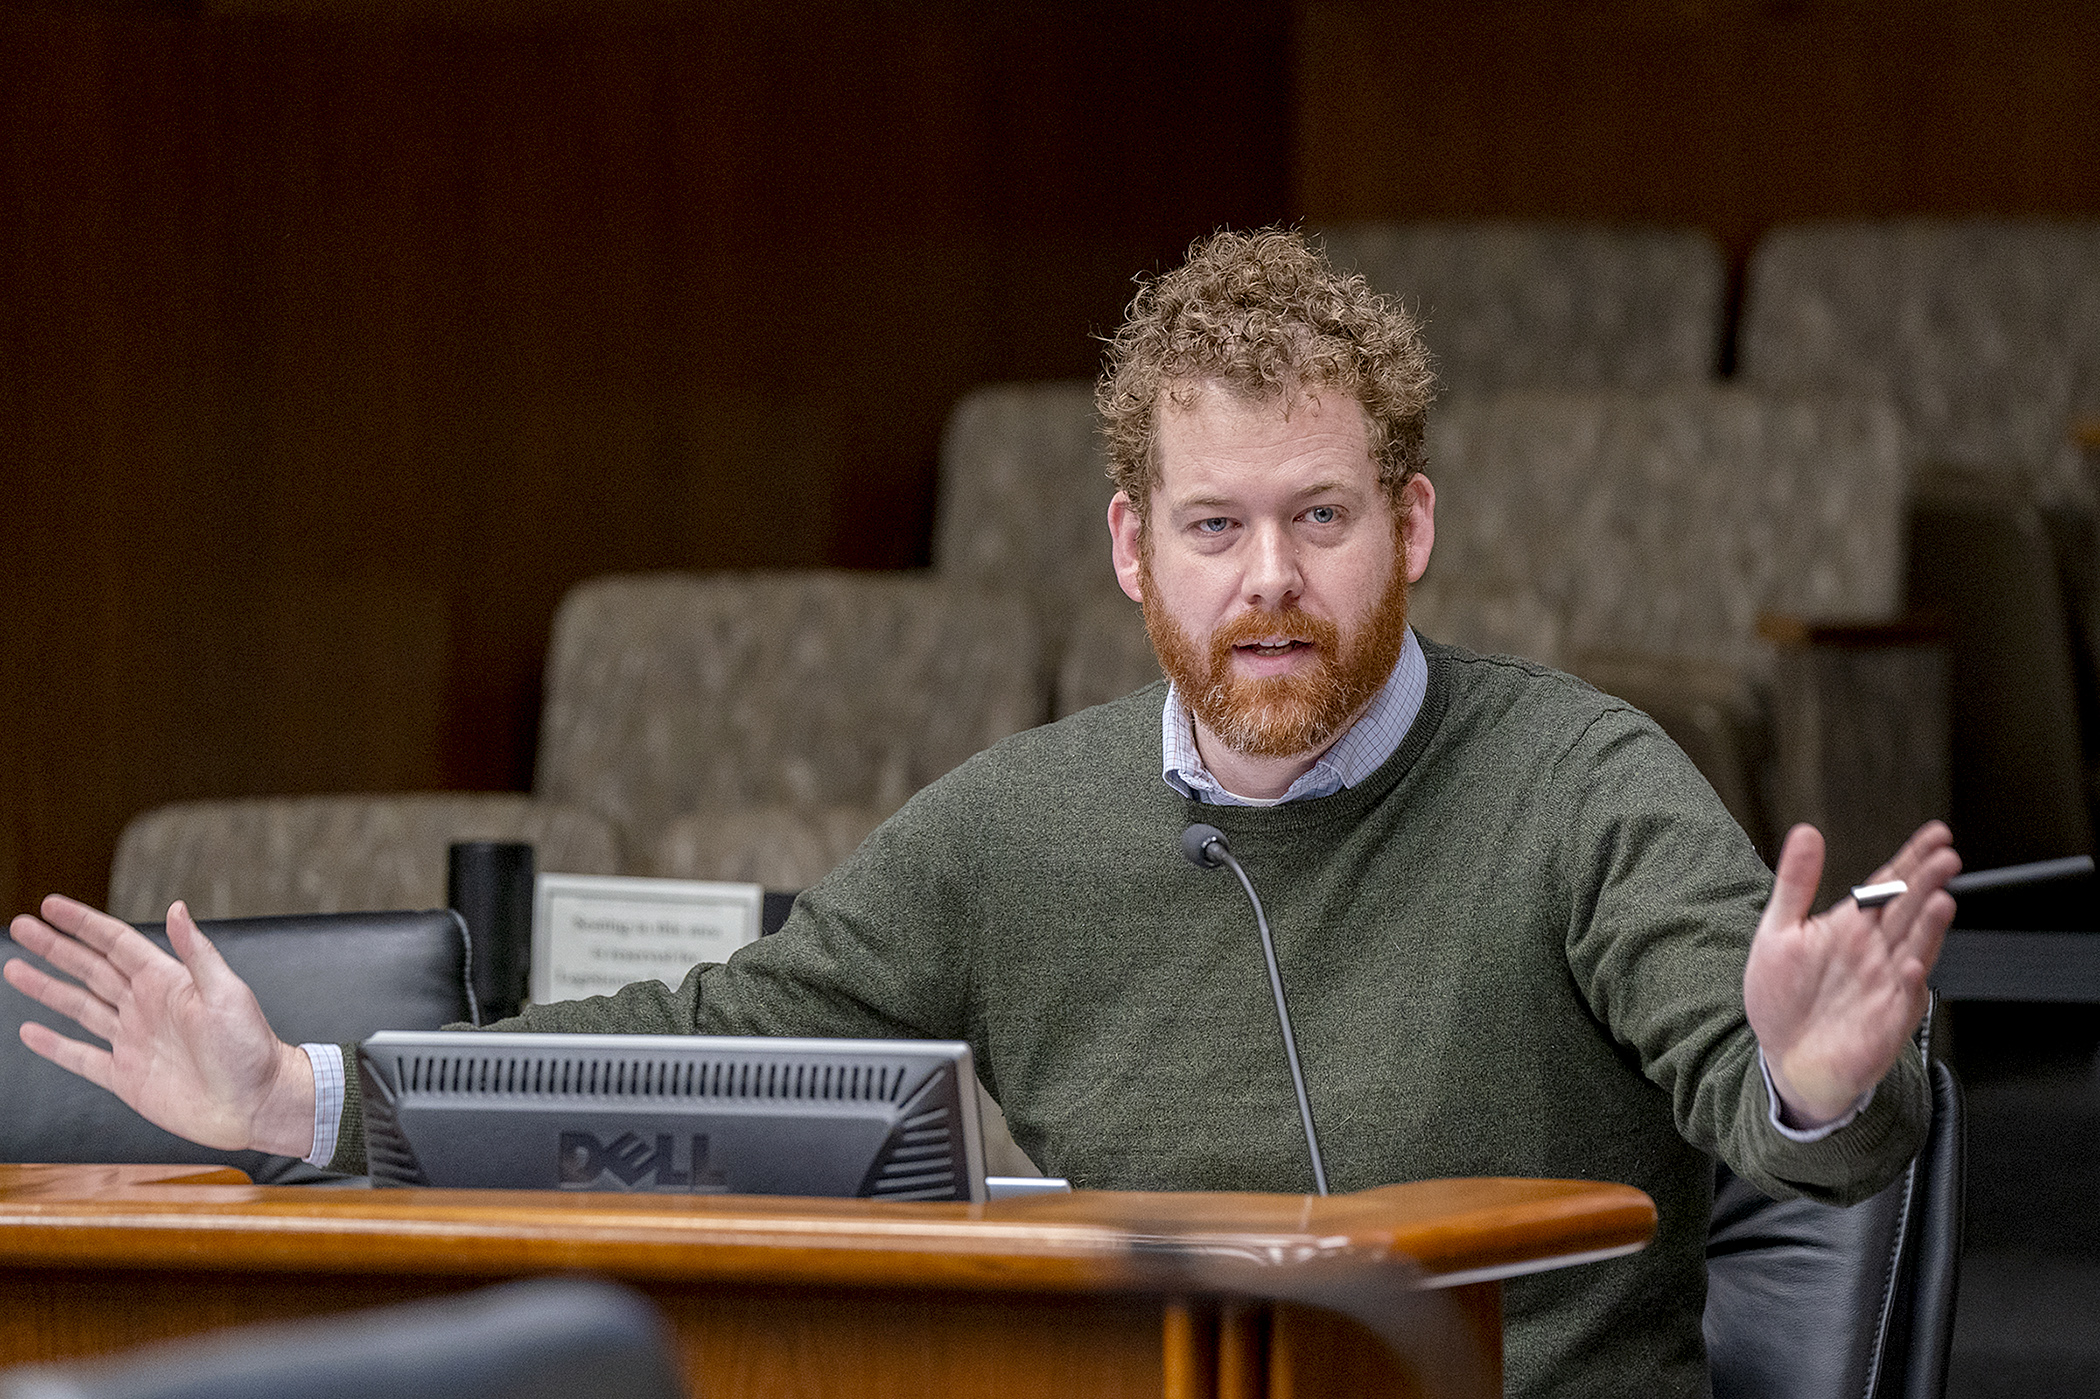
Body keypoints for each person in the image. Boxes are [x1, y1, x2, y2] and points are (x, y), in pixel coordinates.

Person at [5, 228, 1959, 1397]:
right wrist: (307, 1107)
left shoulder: (1584, 781)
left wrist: (1808, 1073)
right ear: (1131, 549)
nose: (1269, 577)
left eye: (1322, 516)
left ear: (1414, 526)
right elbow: (709, 1051)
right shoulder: (1015, 827)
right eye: (1215, 526)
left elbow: (1795, 1113)